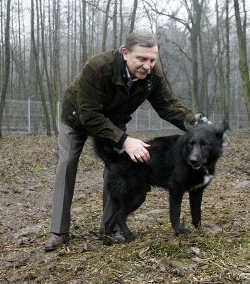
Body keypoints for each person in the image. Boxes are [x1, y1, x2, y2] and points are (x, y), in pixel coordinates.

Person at [44, 30, 198, 251]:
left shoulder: (153, 75)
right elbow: (90, 115)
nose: (147, 65)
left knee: (118, 167)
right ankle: (59, 230)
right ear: (125, 53)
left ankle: (110, 226)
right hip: (77, 118)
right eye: (142, 59)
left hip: (114, 121)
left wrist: (197, 124)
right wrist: (125, 140)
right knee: (67, 163)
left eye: (152, 60)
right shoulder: (98, 67)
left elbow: (168, 106)